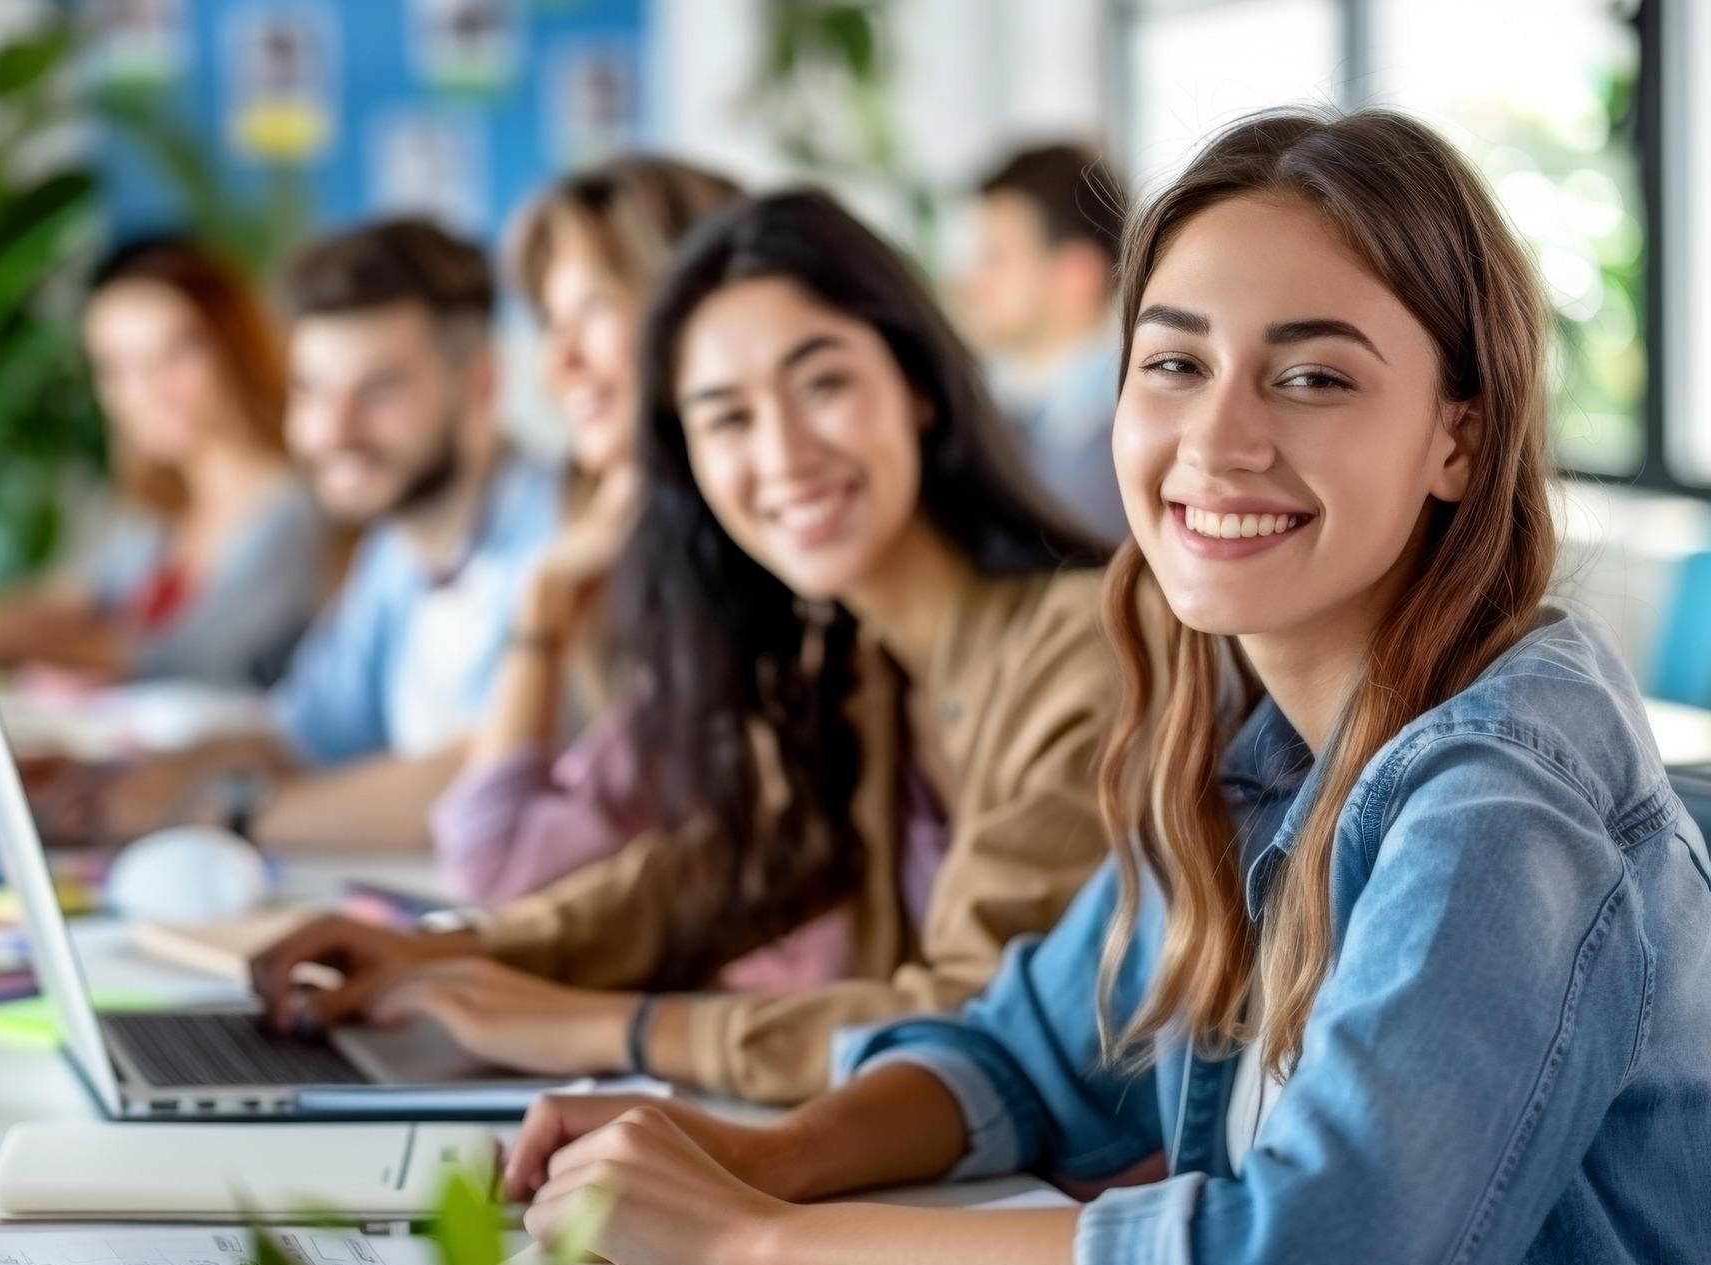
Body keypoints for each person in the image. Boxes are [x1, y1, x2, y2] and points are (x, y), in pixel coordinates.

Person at [497, 108, 1711, 1265]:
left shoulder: (1503, 783)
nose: (1217, 437)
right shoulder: (1251, 737)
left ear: (1460, 433)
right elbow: (1020, 1057)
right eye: (1176, 361)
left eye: (1314, 378)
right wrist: (755, 1154)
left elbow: (1315, 1251)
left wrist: (745, 1242)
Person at [251, 189, 1128, 1105]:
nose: (783, 454)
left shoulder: (1087, 650)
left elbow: (984, 1015)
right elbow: (708, 877)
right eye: (726, 418)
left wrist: (605, 1030)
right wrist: (442, 953)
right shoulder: (852, 660)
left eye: (822, 383)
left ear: (917, 387)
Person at [48, 218, 559, 850]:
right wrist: (126, 783)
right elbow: (308, 733)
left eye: (377, 389)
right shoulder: (397, 547)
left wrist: (220, 817)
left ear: (479, 382)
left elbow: (478, 780)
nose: (332, 430)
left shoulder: (554, 536)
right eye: (312, 389)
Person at [432, 155, 742, 903]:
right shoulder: (633, 543)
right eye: (548, 322)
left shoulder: (740, 579)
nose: (559, 362)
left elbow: (493, 864)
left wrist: (540, 609)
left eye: (595, 310)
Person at [0, 237, 326, 688]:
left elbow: (183, 658)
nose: (144, 392)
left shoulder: (293, 511)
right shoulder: (160, 514)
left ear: (232, 347)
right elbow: (76, 597)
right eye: (116, 368)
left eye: (173, 355)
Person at [957, 143, 1130, 546]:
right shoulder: (1030, 422)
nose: (971, 282)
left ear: (1077, 275)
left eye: (994, 258)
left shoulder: (1110, 446)